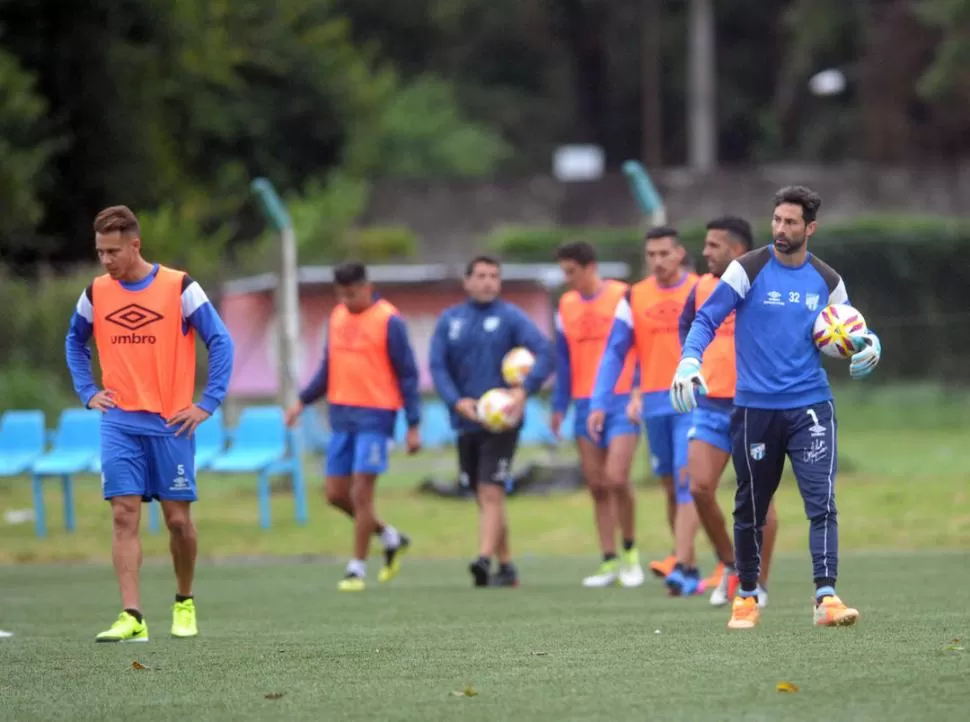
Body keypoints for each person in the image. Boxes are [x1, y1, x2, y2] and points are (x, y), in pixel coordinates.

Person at [672, 185, 881, 629]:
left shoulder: (827, 280)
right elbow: (705, 320)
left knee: (821, 501)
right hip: (755, 410)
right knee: (751, 505)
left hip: (811, 406)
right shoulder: (746, 269)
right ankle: (746, 596)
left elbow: (850, 329)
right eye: (777, 220)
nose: (781, 229)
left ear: (810, 228)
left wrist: (869, 345)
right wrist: (690, 360)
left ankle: (826, 597)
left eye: (790, 222)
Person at [65, 205, 235, 642]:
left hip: (172, 424)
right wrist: (87, 390)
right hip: (119, 423)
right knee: (124, 516)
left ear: (135, 245)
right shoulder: (96, 292)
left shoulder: (180, 287)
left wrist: (207, 404)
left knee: (178, 522)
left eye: (114, 251)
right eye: (100, 252)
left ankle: (184, 601)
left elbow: (220, 341)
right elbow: (74, 342)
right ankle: (132, 616)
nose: (106, 260)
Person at [285, 262, 421, 592]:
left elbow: (408, 374)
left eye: (353, 293)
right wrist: (302, 401)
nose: (348, 299)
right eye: (342, 294)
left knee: (362, 493)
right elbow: (328, 367)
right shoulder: (337, 317)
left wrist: (413, 424)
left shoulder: (389, 320)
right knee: (335, 494)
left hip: (377, 416)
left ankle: (356, 568)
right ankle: (390, 537)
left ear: (366, 286)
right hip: (342, 415)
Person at [429, 255, 553, 588]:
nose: (488, 282)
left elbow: (545, 352)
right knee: (484, 496)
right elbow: (437, 367)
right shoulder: (450, 321)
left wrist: (523, 391)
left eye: (494, 276)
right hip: (466, 422)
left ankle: (483, 559)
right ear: (467, 281)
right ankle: (507, 566)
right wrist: (456, 402)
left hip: (503, 422)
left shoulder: (511, 318)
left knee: (491, 491)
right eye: (481, 276)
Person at [677, 217, 777, 606]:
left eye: (713, 245)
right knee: (700, 488)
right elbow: (688, 326)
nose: (704, 252)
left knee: (760, 498)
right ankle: (732, 564)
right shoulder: (701, 287)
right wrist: (688, 366)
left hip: (755, 405)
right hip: (711, 406)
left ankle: (761, 584)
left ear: (737, 251)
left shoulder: (765, 285)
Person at [593, 227, 701, 588]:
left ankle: (684, 567)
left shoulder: (701, 289)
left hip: (694, 400)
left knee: (688, 483)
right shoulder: (634, 296)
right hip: (655, 403)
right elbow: (614, 351)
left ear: (679, 253)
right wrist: (600, 401)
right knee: (671, 486)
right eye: (651, 255)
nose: (657, 261)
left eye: (664, 253)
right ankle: (687, 557)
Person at [551, 242, 644, 588]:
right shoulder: (566, 304)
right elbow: (562, 359)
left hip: (622, 400)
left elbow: (640, 346)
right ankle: (608, 561)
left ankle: (631, 554)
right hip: (584, 403)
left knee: (617, 477)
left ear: (590, 267)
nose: (567, 279)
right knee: (597, 485)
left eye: (571, 271)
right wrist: (559, 406)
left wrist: (638, 390)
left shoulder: (624, 295)